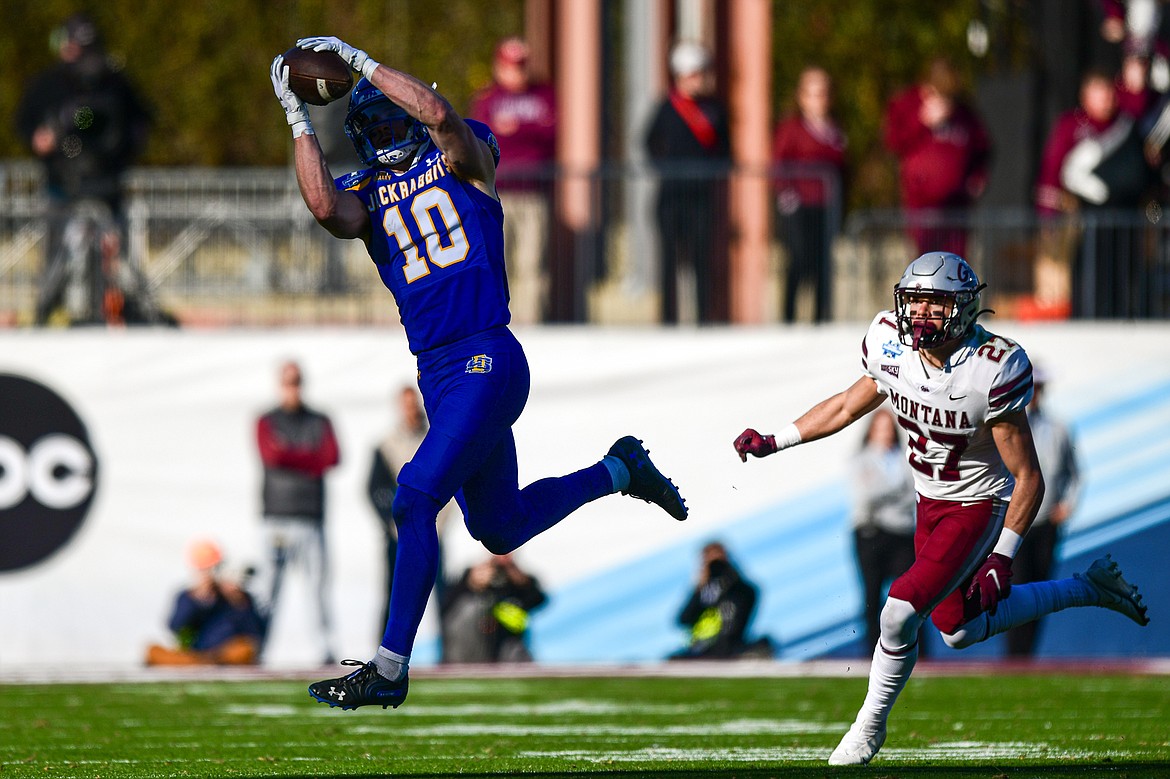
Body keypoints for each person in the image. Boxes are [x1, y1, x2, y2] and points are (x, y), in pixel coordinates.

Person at [269, 35, 688, 710]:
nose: (380, 127)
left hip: (487, 355)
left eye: (385, 114)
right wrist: (297, 117)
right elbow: (323, 208)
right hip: (438, 373)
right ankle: (621, 470)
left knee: (414, 496)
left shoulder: (461, 158)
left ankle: (390, 666)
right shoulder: (365, 193)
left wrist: (362, 63)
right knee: (500, 527)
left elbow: (438, 115)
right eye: (367, 119)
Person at [733, 251, 1149, 766]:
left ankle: (867, 730)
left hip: (977, 505)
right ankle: (1086, 588)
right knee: (957, 631)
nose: (921, 314)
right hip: (927, 504)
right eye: (915, 301)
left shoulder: (991, 368)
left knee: (898, 609)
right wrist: (776, 439)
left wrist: (1002, 554)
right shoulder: (889, 344)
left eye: (935, 303)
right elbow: (844, 405)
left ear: (964, 309)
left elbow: (1029, 477)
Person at [14, 12, 150, 326]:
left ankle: (110, 309)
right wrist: (45, 136)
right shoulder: (49, 84)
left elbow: (129, 126)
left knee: (114, 259)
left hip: (106, 185)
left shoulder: (115, 84)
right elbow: (28, 123)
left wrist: (117, 149)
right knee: (57, 257)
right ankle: (49, 312)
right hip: (62, 186)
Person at [1036, 68, 1157, 318]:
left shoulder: (1124, 123)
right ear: (1085, 96)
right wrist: (1048, 215)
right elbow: (1052, 168)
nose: (1107, 100)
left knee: (1122, 272)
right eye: (1100, 94)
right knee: (1088, 273)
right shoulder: (1071, 126)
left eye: (1110, 94)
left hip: (1124, 217)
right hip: (1083, 218)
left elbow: (1142, 104)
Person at [255, 359, 340, 665]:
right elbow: (272, 455)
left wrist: (293, 457)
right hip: (276, 517)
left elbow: (331, 456)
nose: (293, 388)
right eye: (288, 382)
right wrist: (310, 460)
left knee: (318, 590)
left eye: (297, 381)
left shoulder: (320, 420)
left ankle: (325, 650)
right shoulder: (266, 420)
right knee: (267, 593)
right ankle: (256, 648)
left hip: (310, 517)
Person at [467, 37, 558, 325]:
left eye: (521, 66)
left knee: (532, 264)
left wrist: (515, 130)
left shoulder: (545, 94)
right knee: (495, 261)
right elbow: (477, 137)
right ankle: (496, 324)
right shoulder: (488, 99)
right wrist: (521, 132)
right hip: (495, 194)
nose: (517, 73)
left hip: (533, 192)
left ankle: (532, 323)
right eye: (511, 66)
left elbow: (552, 133)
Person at [645, 41, 731, 324]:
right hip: (671, 197)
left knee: (702, 260)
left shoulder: (715, 108)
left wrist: (713, 170)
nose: (700, 79)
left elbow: (725, 150)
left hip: (701, 198)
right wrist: (668, 170)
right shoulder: (666, 108)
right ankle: (668, 320)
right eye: (694, 74)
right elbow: (648, 144)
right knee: (669, 260)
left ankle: (704, 319)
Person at [367, 384, 459, 632]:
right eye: (406, 405)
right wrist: (394, 523)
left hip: (432, 533)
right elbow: (375, 490)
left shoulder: (433, 441)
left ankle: (448, 653)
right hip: (400, 536)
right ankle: (383, 655)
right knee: (394, 597)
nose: (411, 410)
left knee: (441, 596)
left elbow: (450, 486)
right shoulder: (387, 445)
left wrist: (439, 525)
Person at [1005, 367, 1081, 657]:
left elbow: (1074, 473)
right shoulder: (1006, 426)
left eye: (1036, 388)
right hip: (1016, 521)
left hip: (1047, 521)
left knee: (1040, 587)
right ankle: (1015, 654)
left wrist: (1068, 504)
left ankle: (1027, 656)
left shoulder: (1059, 428)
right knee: (1015, 588)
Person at [882, 57, 990, 257]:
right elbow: (893, 142)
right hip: (921, 206)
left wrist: (977, 178)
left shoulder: (964, 113)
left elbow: (983, 148)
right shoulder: (908, 103)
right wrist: (923, 122)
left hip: (957, 206)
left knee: (955, 265)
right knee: (926, 265)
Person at [771, 66, 847, 324]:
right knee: (799, 259)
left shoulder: (835, 130)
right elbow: (779, 163)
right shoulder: (791, 129)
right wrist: (786, 194)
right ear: (802, 97)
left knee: (823, 264)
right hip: (799, 206)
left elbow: (842, 168)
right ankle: (789, 317)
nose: (819, 99)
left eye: (823, 93)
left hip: (826, 206)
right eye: (813, 93)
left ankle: (820, 318)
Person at [849, 407, 919, 657]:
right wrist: (896, 490)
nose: (885, 433)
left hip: (901, 533)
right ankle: (873, 653)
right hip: (871, 534)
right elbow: (865, 496)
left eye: (889, 428)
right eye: (881, 428)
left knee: (910, 598)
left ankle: (916, 652)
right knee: (871, 596)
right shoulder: (861, 459)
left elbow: (915, 491)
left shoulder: (904, 457)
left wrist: (890, 492)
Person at [145, 540, 264, 666]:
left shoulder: (239, 599)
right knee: (153, 650)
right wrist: (197, 599)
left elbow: (254, 635)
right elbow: (174, 626)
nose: (208, 574)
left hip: (223, 656)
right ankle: (199, 663)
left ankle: (204, 663)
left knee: (244, 650)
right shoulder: (186, 596)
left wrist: (237, 600)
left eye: (211, 569)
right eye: (203, 569)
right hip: (193, 654)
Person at [669, 541, 773, 661]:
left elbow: (747, 598)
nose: (715, 567)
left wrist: (730, 575)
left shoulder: (741, 591)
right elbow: (683, 619)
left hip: (731, 648)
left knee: (765, 644)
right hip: (702, 652)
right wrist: (699, 588)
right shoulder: (703, 595)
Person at [439, 553, 548, 663]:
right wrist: (471, 584)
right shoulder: (471, 575)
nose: (502, 556)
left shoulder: (518, 580)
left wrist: (523, 583)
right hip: (472, 649)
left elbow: (539, 601)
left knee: (513, 650)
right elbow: (448, 607)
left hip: (508, 650)